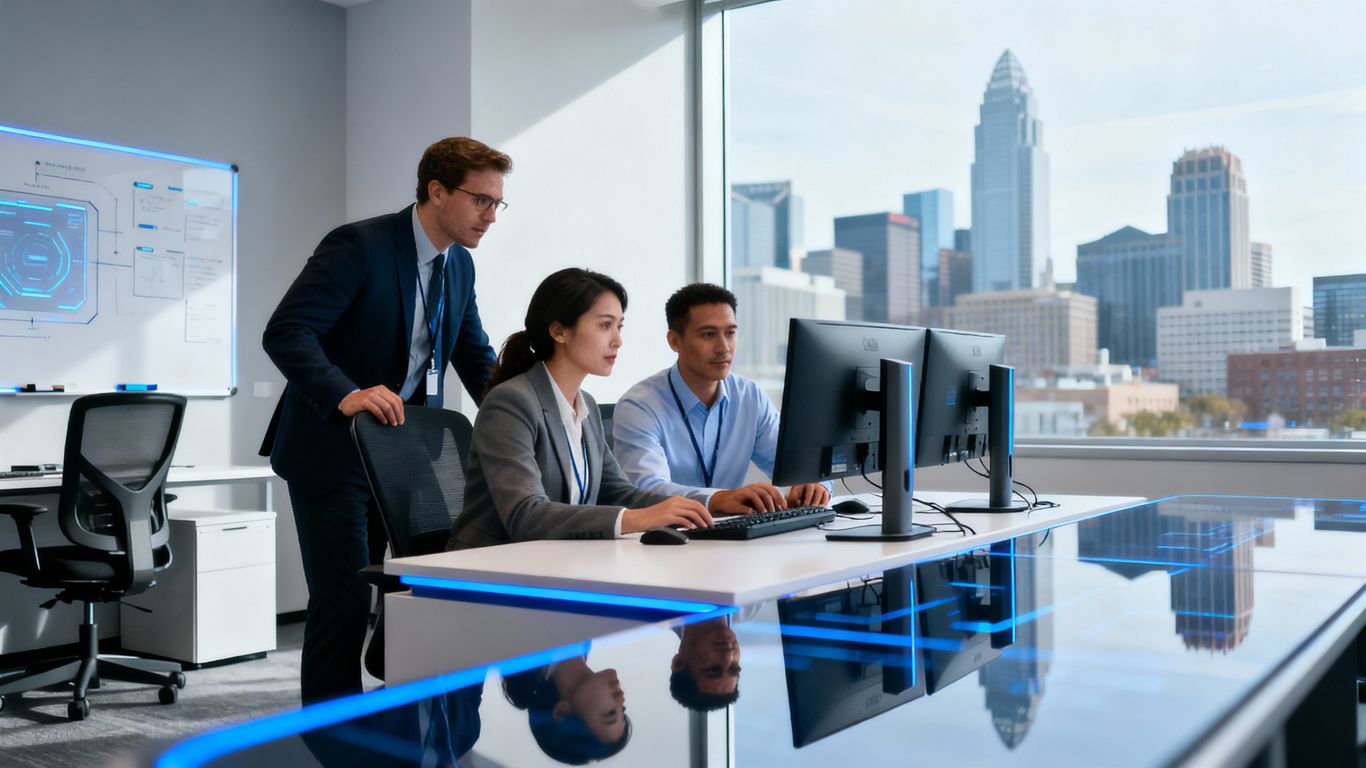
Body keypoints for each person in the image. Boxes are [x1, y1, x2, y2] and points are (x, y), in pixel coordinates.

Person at [260, 136, 510, 704]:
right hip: (333, 449)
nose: (491, 216)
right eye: (481, 201)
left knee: (424, 588)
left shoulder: (459, 266)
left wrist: (524, 409)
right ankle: (330, 738)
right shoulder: (360, 245)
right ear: (437, 191)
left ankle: (408, 712)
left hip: (405, 456)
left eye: (498, 204)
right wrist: (345, 392)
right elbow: (287, 332)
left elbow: (474, 356)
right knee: (344, 601)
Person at [447, 268, 711, 549]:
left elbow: (620, 494)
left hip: (557, 560)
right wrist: (637, 519)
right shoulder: (511, 403)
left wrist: (705, 506)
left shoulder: (586, 407)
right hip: (488, 565)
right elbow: (525, 515)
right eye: (605, 325)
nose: (618, 340)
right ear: (559, 331)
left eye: (619, 326)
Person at [612, 283, 830, 515]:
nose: (723, 347)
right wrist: (717, 499)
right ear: (675, 341)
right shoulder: (639, 406)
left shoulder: (749, 397)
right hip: (664, 537)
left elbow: (797, 465)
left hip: (729, 536)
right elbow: (646, 489)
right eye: (708, 334)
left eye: (730, 333)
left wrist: (815, 484)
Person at [502, 657, 631, 764]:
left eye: (610, 713)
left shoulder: (524, 652)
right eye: (622, 709)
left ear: (563, 711)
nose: (620, 698)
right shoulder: (593, 632)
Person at [669, 615, 742, 712]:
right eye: (733, 668)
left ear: (678, 663)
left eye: (713, 669)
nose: (728, 657)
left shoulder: (657, 606)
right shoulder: (752, 603)